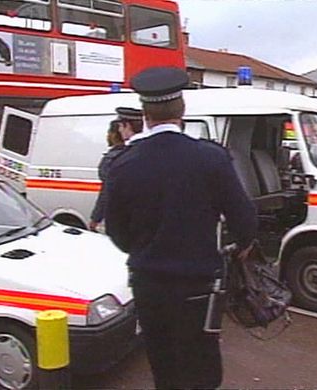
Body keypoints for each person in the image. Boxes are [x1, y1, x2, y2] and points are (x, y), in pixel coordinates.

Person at [105, 66, 257, 389]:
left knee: (164, 367)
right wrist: (241, 246)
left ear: (145, 114)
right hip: (199, 285)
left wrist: (146, 247)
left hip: (150, 284)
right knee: (203, 366)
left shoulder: (123, 164)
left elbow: (116, 231)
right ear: (182, 109)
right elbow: (244, 220)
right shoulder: (211, 158)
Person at [89, 108, 143, 231]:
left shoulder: (115, 159)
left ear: (125, 126)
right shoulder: (153, 151)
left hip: (125, 221)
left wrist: (95, 218)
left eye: (121, 126)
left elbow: (108, 191)